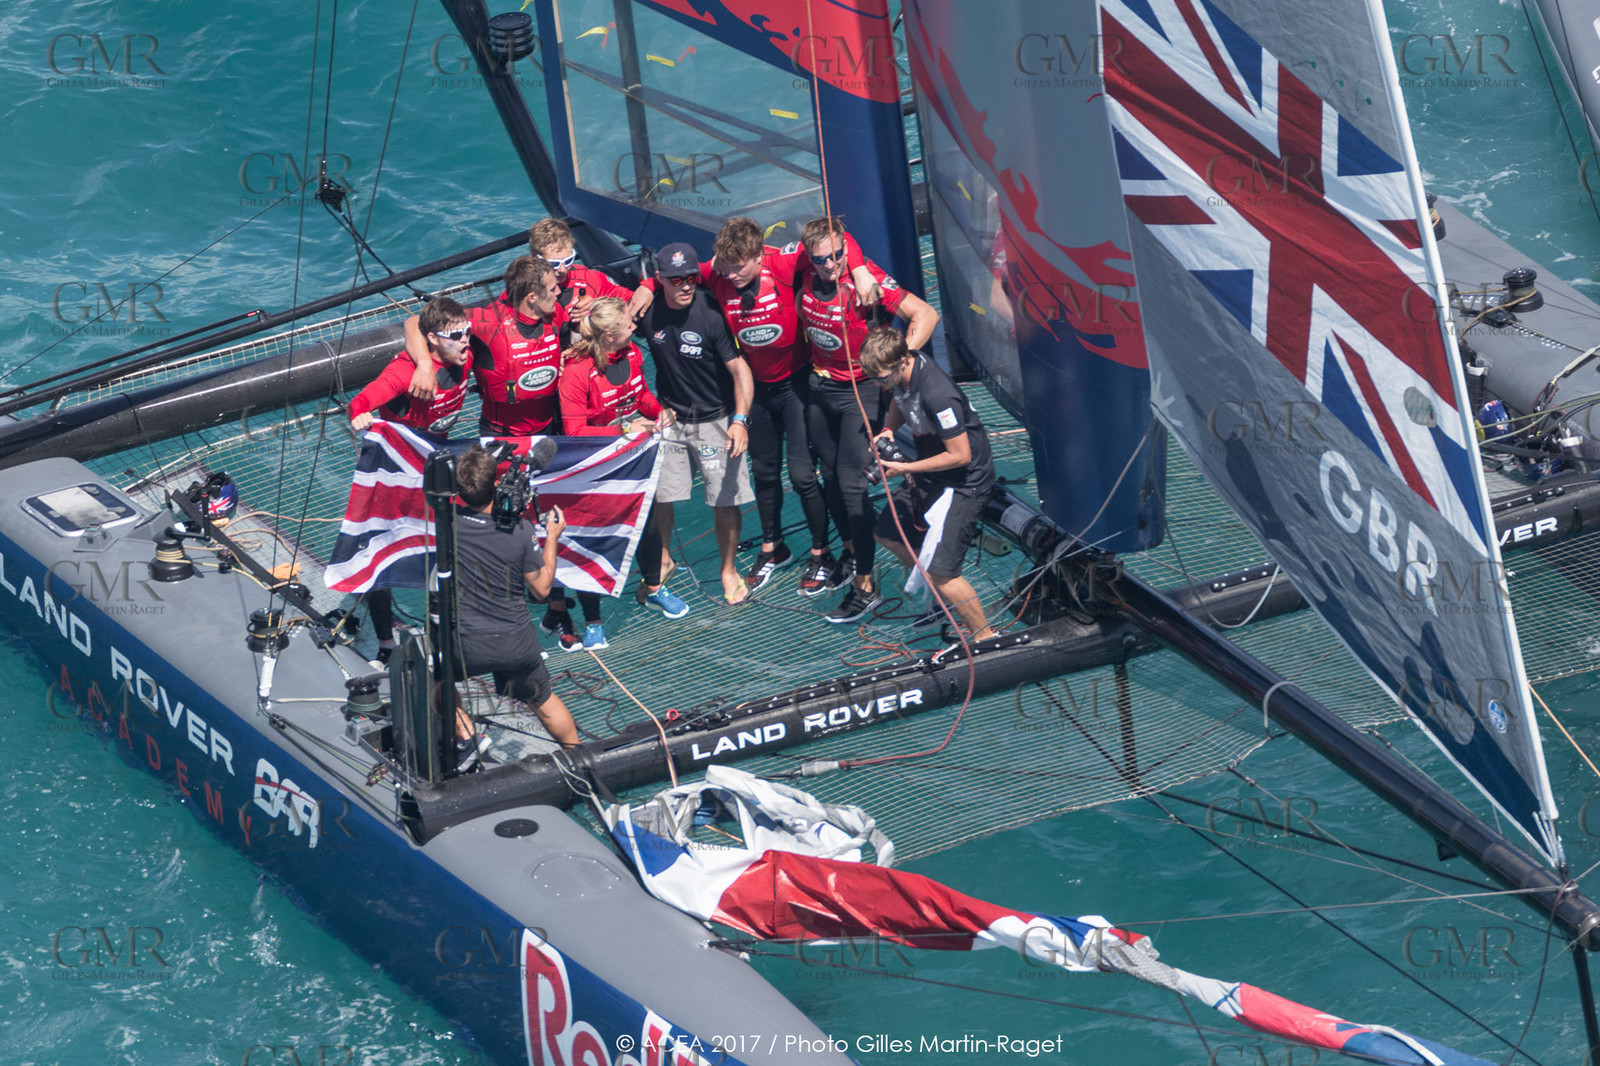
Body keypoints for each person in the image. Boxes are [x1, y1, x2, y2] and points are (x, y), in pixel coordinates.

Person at [625, 218, 879, 595]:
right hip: (757, 390)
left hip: (796, 384)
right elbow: (678, 273)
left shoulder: (785, 263)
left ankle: (823, 551)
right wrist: (647, 286)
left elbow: (835, 234)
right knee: (764, 472)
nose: (730, 273)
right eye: (724, 266)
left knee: (804, 475)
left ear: (760, 257)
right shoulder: (721, 271)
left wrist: (856, 268)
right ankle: (772, 548)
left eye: (738, 266)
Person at [400, 257, 589, 647]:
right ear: (531, 297)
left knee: (554, 521)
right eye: (553, 289)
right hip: (501, 443)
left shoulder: (556, 314)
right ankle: (510, 617)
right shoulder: (488, 320)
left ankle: (557, 608)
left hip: (549, 438)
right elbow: (414, 323)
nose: (561, 291)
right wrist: (422, 362)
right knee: (506, 529)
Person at [797, 217, 940, 624]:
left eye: (838, 255)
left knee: (850, 483)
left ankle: (866, 585)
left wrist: (897, 359)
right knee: (824, 476)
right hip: (821, 387)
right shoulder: (806, 269)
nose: (830, 264)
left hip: (860, 392)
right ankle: (851, 553)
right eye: (821, 258)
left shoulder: (867, 280)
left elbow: (926, 316)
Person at [348, 296, 475, 663]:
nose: (467, 340)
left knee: (449, 552)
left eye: (467, 332)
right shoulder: (405, 374)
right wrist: (359, 417)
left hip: (437, 468)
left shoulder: (458, 351)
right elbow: (359, 403)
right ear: (433, 339)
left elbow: (411, 321)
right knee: (381, 554)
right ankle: (386, 643)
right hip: (398, 477)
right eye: (457, 335)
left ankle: (446, 634)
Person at [557, 298, 689, 645]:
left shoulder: (630, 355)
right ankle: (593, 621)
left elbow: (640, 395)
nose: (635, 327)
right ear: (610, 334)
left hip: (631, 460)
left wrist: (659, 411)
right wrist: (625, 431)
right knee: (596, 539)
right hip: (593, 466)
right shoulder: (576, 372)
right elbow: (573, 433)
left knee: (645, 524)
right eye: (629, 324)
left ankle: (655, 588)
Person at [636, 242, 756, 605]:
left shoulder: (710, 314)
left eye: (691, 277)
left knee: (724, 498)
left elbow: (741, 371)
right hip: (671, 415)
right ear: (660, 280)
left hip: (716, 418)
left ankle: (728, 569)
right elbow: (610, 324)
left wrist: (740, 421)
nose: (685, 285)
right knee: (661, 493)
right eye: (676, 280)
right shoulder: (648, 310)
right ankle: (663, 557)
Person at [860, 328, 997, 646]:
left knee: (941, 572)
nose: (879, 385)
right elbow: (899, 398)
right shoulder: (900, 374)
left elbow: (960, 456)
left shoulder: (938, 393)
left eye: (881, 378)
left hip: (965, 482)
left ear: (901, 362)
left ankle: (985, 637)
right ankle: (940, 602)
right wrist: (888, 430)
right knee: (888, 534)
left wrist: (904, 468)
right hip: (932, 472)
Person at [452, 444, 581, 754]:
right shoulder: (521, 532)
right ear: (495, 486)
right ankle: (580, 759)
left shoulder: (446, 522)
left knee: (435, 681)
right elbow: (542, 590)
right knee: (542, 699)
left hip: (464, 644)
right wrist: (551, 538)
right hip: (515, 644)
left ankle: (467, 734)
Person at [528, 217, 634, 321]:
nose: (562, 270)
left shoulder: (590, 279)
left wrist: (597, 308)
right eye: (554, 264)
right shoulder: (522, 287)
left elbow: (631, 301)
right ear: (535, 257)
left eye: (568, 260)